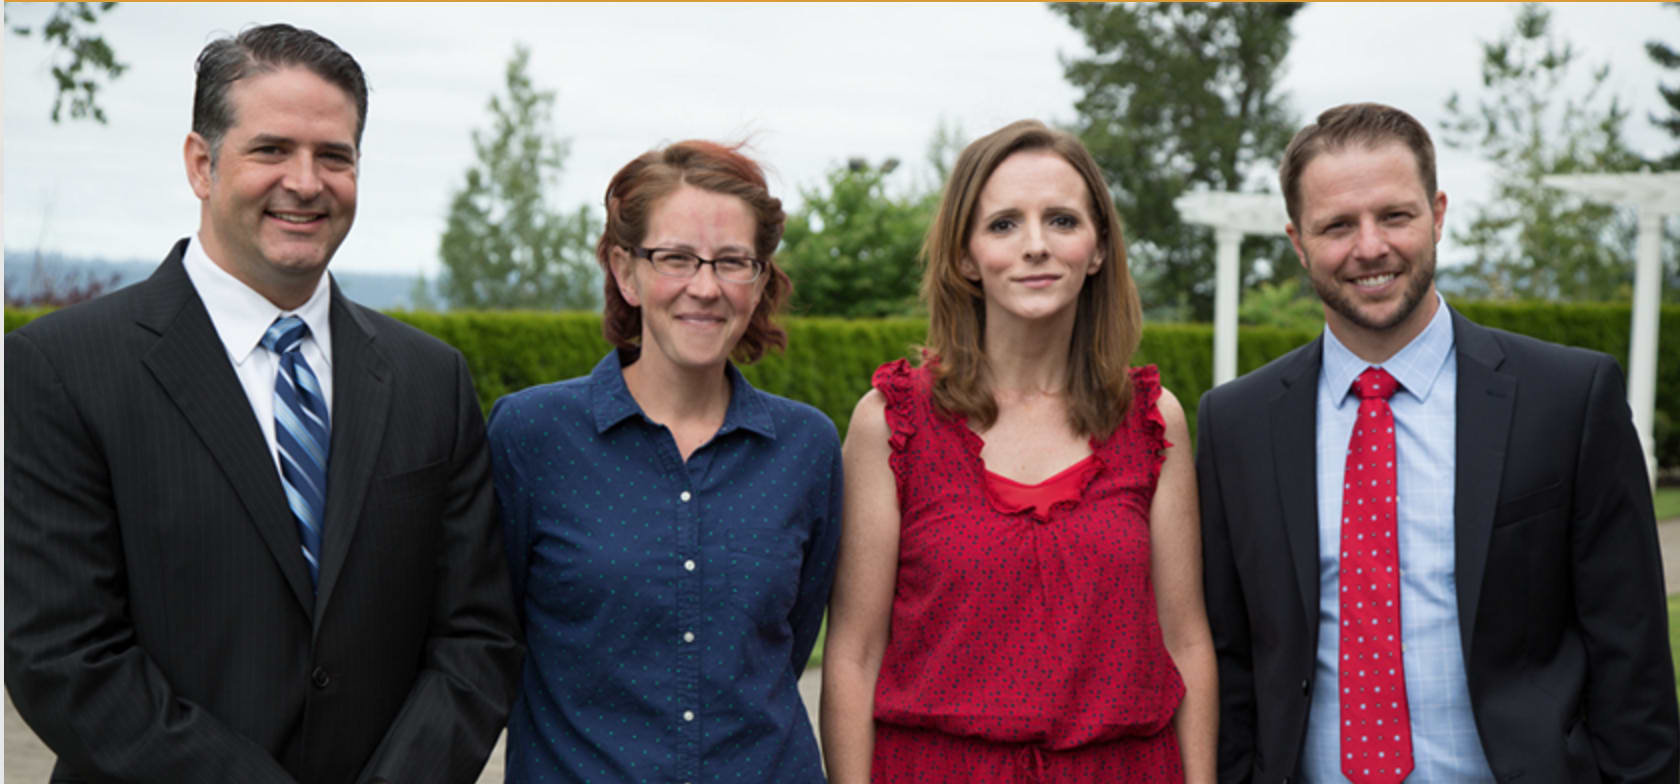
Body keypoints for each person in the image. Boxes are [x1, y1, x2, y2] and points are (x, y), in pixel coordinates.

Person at [3, 24, 523, 783]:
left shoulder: (429, 379)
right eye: (272, 149)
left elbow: (477, 638)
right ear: (201, 163)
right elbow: (63, 655)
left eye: (334, 156)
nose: (306, 182)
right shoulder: (61, 368)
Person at [1197, 102, 1679, 783]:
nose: (1370, 247)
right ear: (1298, 243)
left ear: (1438, 214)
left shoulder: (1568, 399)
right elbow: (1230, 658)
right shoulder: (1235, 424)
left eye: (1395, 215)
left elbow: (1633, 655)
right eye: (1338, 225)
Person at [821, 119, 1217, 783]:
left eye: (1062, 220)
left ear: (1098, 248)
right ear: (965, 256)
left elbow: (1187, 642)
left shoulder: (1151, 421)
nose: (1036, 245)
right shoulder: (892, 422)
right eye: (1004, 224)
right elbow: (854, 654)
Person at [489, 140, 842, 784]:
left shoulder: (806, 448)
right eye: (675, 258)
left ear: (760, 280)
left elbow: (790, 643)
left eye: (732, 262)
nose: (705, 288)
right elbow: (488, 640)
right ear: (626, 271)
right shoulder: (532, 435)